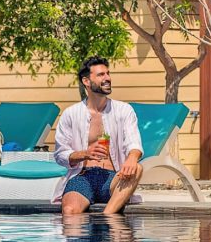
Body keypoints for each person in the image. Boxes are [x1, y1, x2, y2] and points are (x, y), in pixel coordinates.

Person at [53, 56, 144, 214]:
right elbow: (60, 154)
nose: (107, 78)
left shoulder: (123, 110)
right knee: (69, 211)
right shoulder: (71, 114)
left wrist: (132, 158)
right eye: (101, 75)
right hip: (83, 177)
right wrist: (85, 154)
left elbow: (133, 143)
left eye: (108, 73)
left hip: (113, 178)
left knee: (137, 168)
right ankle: (103, 220)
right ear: (86, 81)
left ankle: (107, 216)